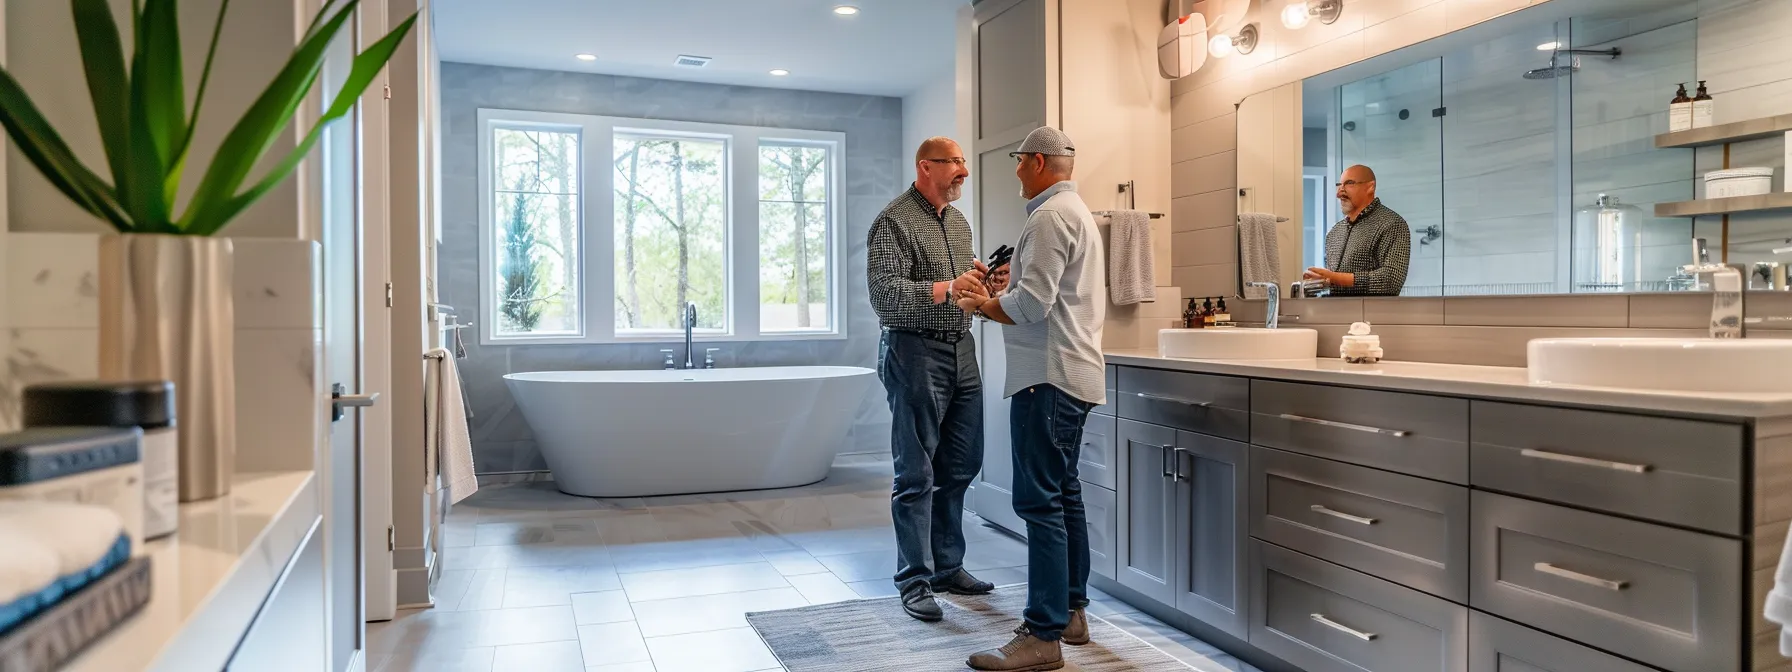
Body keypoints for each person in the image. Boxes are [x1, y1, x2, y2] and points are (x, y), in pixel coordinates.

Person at [951, 126, 1106, 672]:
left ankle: (1041, 636)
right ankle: (1070, 613)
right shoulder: (1076, 211)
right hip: (1073, 375)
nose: (1015, 170)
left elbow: (1032, 306)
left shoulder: (1047, 217)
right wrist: (1001, 294)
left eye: (1020, 161)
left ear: (1038, 162)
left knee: (1039, 504)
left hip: (1047, 378)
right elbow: (1044, 298)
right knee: (1064, 497)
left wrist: (977, 303)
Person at [866, 136, 997, 622]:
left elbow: (960, 292)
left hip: (962, 351)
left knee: (961, 465)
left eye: (963, 162)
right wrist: (946, 288)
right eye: (955, 163)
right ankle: (914, 579)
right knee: (916, 472)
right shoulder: (893, 221)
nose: (963, 171)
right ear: (926, 166)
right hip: (914, 351)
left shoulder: (958, 223)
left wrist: (982, 285)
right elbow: (885, 296)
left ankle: (947, 566)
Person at [1303, 164, 1411, 296]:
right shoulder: (1334, 233)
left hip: (1376, 315)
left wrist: (1334, 278)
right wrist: (1318, 283)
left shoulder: (1391, 224)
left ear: (1370, 187)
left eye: (1349, 183)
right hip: (1337, 314)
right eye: (1339, 185)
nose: (1339, 193)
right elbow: (1334, 286)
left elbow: (1390, 282)